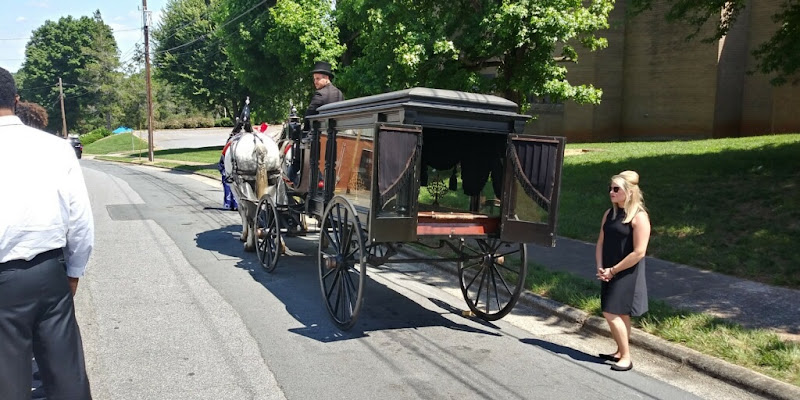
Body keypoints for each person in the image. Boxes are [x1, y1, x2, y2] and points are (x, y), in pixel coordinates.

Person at [0, 67, 94, 398]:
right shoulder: (56, 148)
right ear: (16, 100)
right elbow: (80, 220)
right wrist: (74, 271)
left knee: (8, 381)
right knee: (67, 374)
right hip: (49, 271)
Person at [594, 170, 650, 372]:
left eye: (616, 189)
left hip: (627, 272)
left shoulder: (639, 217)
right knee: (620, 313)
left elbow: (639, 252)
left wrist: (613, 270)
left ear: (629, 192)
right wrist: (600, 266)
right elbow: (600, 242)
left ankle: (626, 357)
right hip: (608, 269)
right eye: (610, 188)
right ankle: (619, 351)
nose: (611, 192)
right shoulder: (609, 214)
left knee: (610, 312)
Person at [303, 61, 344, 130]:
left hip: (323, 132)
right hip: (339, 131)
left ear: (326, 78)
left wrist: (304, 132)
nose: (315, 82)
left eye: (318, 78)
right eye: (314, 79)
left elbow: (309, 115)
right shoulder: (339, 93)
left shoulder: (320, 94)